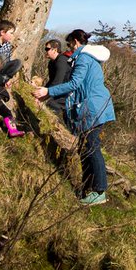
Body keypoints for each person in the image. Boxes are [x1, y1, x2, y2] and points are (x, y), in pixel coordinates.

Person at [32, 29, 115, 207]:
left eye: (69, 45)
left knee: (91, 147)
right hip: (93, 107)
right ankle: (87, 189)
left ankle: (99, 190)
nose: (68, 49)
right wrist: (48, 96)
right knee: (85, 149)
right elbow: (75, 87)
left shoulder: (84, 58)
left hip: (94, 108)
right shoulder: (86, 58)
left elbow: (75, 83)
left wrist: (48, 91)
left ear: (76, 42)